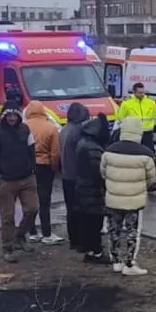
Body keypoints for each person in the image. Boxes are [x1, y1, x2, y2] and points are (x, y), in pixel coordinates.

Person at [101, 117, 156, 275]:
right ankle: (130, 264)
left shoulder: (109, 151)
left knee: (114, 230)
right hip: (134, 200)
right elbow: (151, 179)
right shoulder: (146, 154)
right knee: (132, 232)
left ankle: (116, 261)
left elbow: (103, 173)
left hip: (113, 199)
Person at [0, 107, 39, 262]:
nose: (12, 118)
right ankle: (7, 248)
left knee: (33, 209)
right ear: (4, 116)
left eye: (15, 115)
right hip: (6, 181)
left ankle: (20, 236)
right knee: (7, 217)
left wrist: (33, 170)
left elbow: (31, 151)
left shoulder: (25, 129)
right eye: (8, 115)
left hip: (27, 178)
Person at [23, 100, 64, 244]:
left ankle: (32, 232)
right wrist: (54, 167)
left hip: (27, 167)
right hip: (45, 166)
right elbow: (55, 152)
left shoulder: (23, 127)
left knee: (29, 200)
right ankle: (47, 233)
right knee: (44, 201)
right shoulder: (51, 128)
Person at [74, 115, 111, 263]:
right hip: (92, 191)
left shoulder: (83, 142)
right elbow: (99, 172)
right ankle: (96, 252)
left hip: (82, 188)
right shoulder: (94, 148)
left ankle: (90, 250)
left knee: (87, 222)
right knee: (95, 223)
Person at [58, 103, 92, 252]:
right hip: (77, 176)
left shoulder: (64, 130)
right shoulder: (79, 131)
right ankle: (82, 241)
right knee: (81, 209)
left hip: (66, 175)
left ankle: (73, 240)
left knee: (70, 209)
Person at [116, 82, 156, 190]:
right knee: (132, 158)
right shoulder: (127, 104)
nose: (142, 94)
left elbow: (155, 116)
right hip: (133, 134)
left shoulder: (151, 103)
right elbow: (120, 118)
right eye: (139, 93)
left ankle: (152, 183)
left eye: (143, 92)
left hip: (147, 133)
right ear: (134, 92)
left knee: (151, 157)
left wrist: (150, 127)